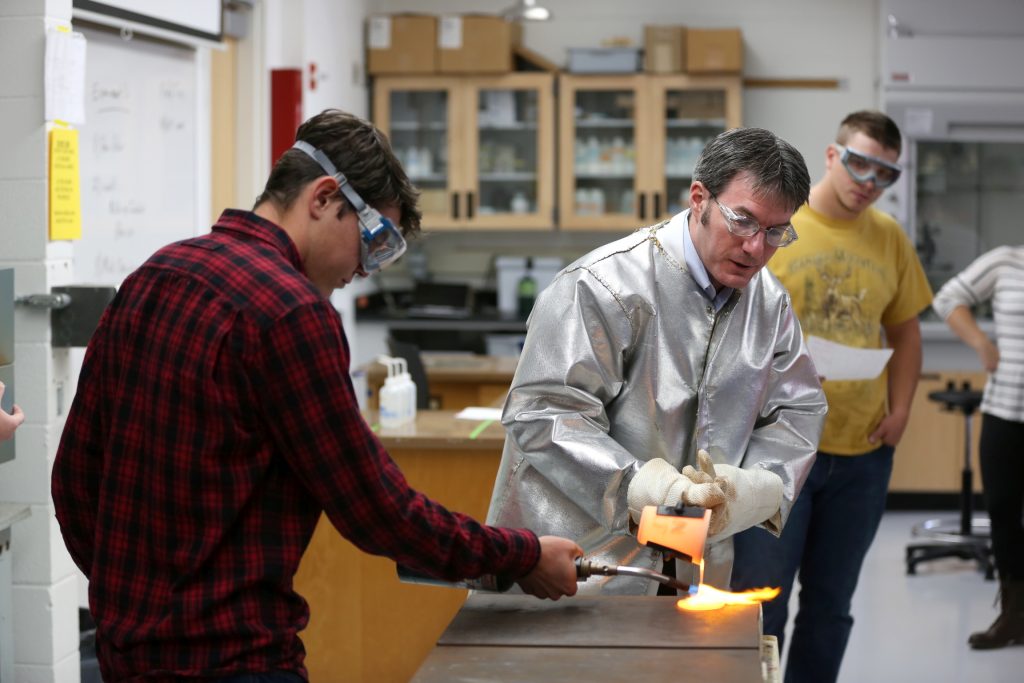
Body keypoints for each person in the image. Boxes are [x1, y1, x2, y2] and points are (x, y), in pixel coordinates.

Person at [51, 109, 583, 683]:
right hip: (236, 661)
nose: (364, 271)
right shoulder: (292, 313)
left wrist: (132, 600)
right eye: (373, 242)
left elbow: (73, 478)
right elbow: (378, 511)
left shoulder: (155, 274)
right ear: (325, 198)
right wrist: (521, 556)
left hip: (124, 655)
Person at [486, 127, 828, 594]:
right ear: (699, 199)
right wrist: (641, 486)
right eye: (743, 221)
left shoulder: (769, 305)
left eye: (775, 232)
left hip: (696, 565)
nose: (756, 248)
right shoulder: (602, 287)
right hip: (582, 558)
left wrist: (755, 489)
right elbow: (543, 412)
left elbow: (798, 410)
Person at [730, 110, 933, 682]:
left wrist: (901, 411)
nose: (869, 180)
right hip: (776, 452)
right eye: (860, 162)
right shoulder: (779, 225)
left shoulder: (890, 238)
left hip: (862, 454)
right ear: (831, 155)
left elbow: (905, 331)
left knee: (830, 607)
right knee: (760, 601)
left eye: (885, 173)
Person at [932, 246, 1024, 649]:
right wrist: (982, 344)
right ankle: (1013, 616)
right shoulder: (1006, 261)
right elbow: (948, 297)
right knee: (1004, 514)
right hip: (1005, 410)